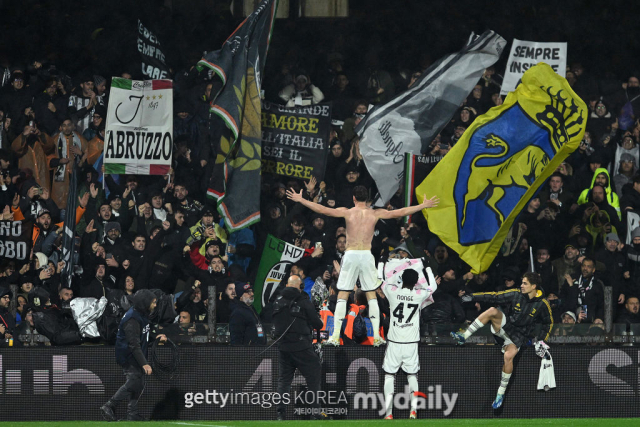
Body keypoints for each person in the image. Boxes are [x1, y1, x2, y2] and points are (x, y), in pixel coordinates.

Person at [287, 185, 439, 346]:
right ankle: (377, 338)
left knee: (343, 294)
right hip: (366, 255)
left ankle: (335, 337)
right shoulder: (375, 213)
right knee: (371, 295)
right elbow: (400, 212)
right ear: (367, 199)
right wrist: (422, 205)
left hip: (351, 255)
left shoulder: (348, 212)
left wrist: (301, 199)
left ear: (353, 198)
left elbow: (323, 209)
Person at [450, 272, 553, 409]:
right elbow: (495, 296)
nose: (521, 285)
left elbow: (549, 323)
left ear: (534, 286)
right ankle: (464, 336)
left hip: (518, 338)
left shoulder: (542, 304)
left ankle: (500, 393)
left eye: (525, 283)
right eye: (521, 282)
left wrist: (541, 340)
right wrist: (473, 296)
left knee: (508, 356)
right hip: (505, 328)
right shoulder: (516, 293)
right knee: (493, 310)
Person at [101, 290, 167, 421]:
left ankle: (132, 414)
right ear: (145, 303)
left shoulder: (141, 314)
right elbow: (133, 344)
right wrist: (144, 363)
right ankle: (110, 405)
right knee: (134, 381)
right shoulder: (132, 318)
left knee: (139, 382)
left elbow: (143, 335)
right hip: (128, 355)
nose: (155, 305)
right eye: (153, 302)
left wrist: (156, 338)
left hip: (136, 354)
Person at [381, 269, 434, 420]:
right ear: (416, 281)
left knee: (390, 376)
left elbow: (380, 280)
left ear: (402, 279)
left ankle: (388, 413)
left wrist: (383, 264)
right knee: (412, 376)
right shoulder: (419, 294)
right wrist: (428, 270)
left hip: (394, 341)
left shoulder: (392, 291)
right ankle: (413, 411)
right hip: (411, 342)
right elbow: (433, 287)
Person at [272, 275, 325, 420]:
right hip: (301, 346)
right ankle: (315, 411)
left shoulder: (277, 301)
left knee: (284, 380)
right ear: (299, 286)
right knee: (313, 374)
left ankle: (280, 413)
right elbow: (318, 325)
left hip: (283, 347)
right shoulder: (303, 301)